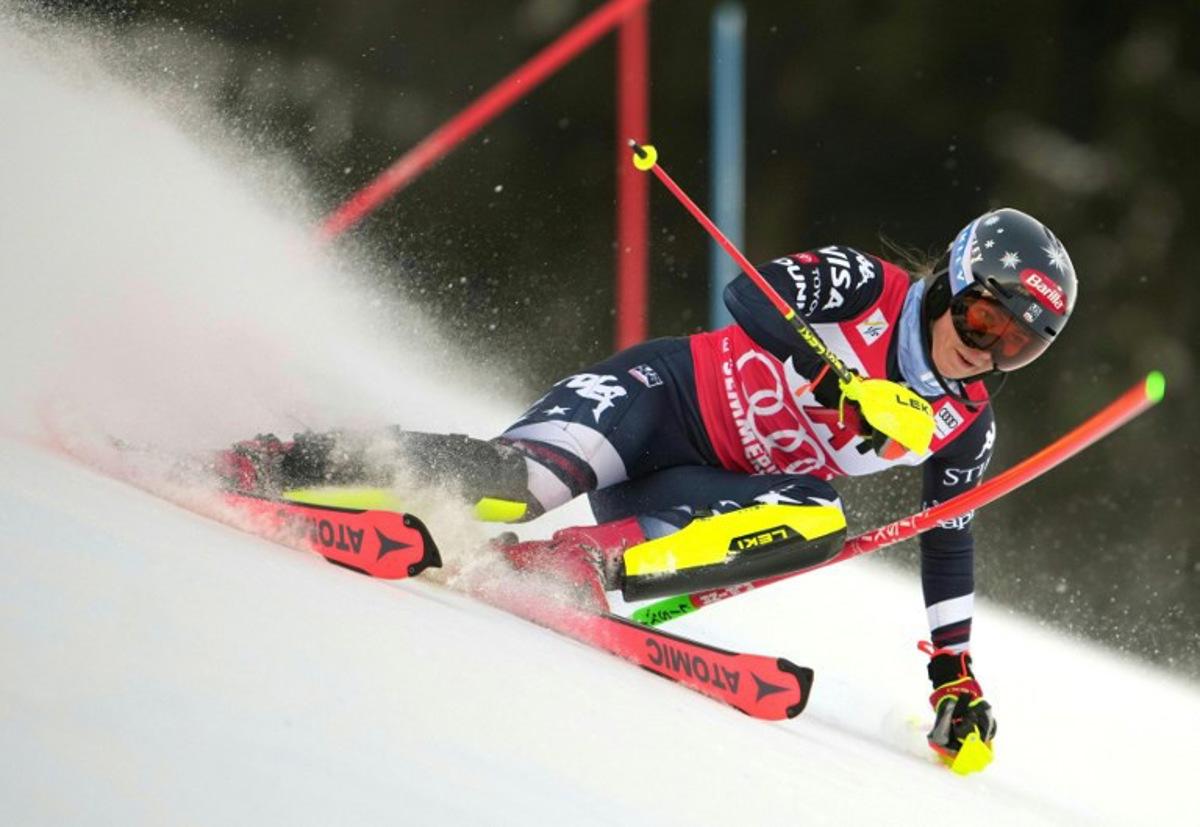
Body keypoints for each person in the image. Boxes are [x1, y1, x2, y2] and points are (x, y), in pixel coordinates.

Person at [221, 207, 1076, 761]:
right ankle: (284, 460)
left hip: (695, 495)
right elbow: (751, 295)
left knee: (819, 519)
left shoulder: (965, 422)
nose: (987, 350)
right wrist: (836, 381)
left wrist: (953, 674)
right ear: (952, 282)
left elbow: (947, 534)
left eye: (1019, 345)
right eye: (984, 318)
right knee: (515, 484)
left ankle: (570, 565)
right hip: (656, 399)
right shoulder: (866, 285)